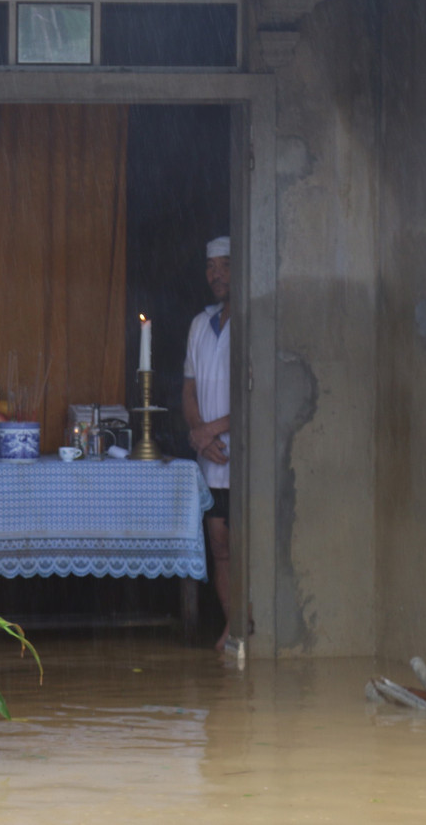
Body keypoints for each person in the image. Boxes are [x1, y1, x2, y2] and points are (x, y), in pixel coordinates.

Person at [183, 235, 232, 650]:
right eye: (210, 267)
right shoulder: (200, 324)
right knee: (218, 543)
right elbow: (188, 389)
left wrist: (211, 430)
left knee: (243, 540)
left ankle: (249, 627)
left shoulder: (250, 321)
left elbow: (257, 394)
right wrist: (200, 434)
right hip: (210, 455)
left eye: (224, 265)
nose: (216, 274)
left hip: (240, 452)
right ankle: (232, 626)